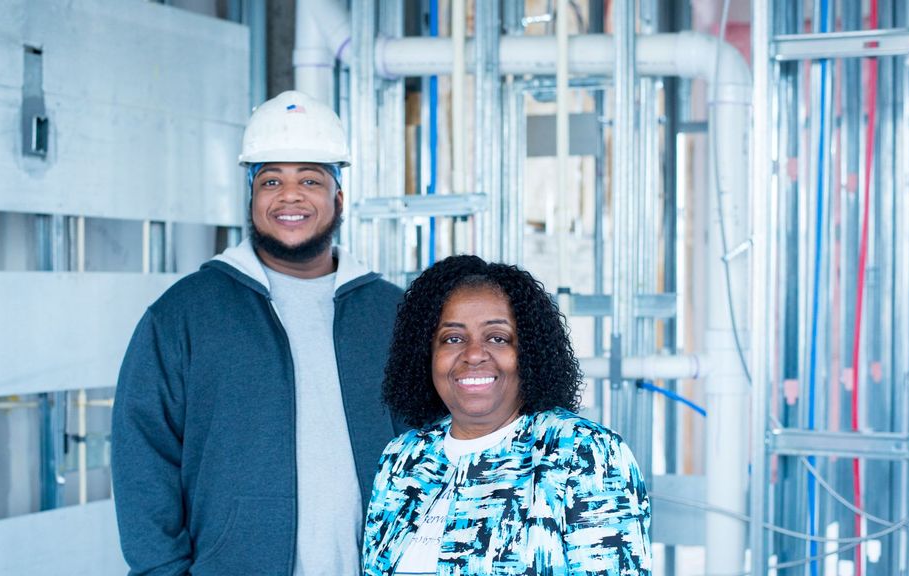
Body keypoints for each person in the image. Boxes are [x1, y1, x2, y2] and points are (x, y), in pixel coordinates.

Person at [111, 90, 404, 575]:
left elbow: (439, 447)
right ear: (251, 197)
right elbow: (143, 459)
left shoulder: (394, 313)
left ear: (339, 198)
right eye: (271, 180)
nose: (290, 195)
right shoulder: (184, 314)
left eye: (310, 179)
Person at [362, 255, 652, 575]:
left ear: (528, 352)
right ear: (426, 354)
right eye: (453, 338)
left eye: (498, 338)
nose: (473, 354)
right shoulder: (403, 458)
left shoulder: (582, 452)